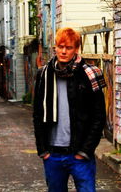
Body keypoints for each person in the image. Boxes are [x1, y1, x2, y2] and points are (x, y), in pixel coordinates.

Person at [33, 27, 106, 192]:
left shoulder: (89, 74)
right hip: (53, 153)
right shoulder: (43, 74)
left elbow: (99, 116)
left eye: (69, 47)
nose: (63, 51)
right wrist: (43, 150)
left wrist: (85, 151)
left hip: (79, 154)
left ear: (76, 49)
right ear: (55, 47)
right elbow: (37, 114)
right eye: (60, 47)